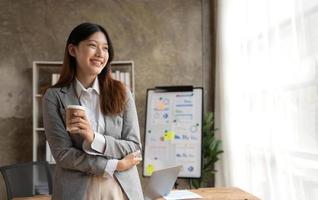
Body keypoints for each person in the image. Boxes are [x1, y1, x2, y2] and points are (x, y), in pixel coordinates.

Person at [42, 22, 143, 200]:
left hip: (120, 190)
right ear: (73, 50)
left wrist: (94, 138)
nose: (100, 54)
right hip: (76, 192)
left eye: (105, 48)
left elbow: (134, 146)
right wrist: (114, 165)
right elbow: (63, 154)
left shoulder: (122, 92)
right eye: (92, 45)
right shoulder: (54, 97)